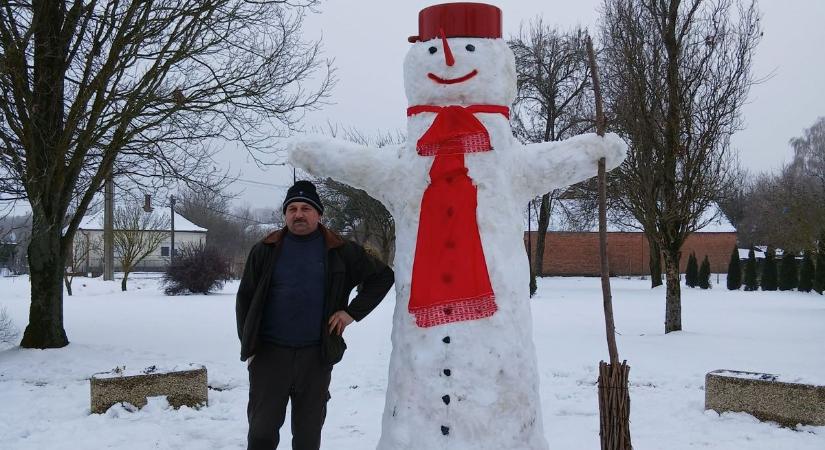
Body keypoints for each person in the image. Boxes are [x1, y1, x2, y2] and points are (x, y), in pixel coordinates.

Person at [236, 180, 394, 450]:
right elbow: (245, 299)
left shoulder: (340, 250)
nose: (298, 214)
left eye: (306, 208)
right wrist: (249, 345)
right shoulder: (265, 249)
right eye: (292, 209)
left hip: (315, 357)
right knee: (261, 433)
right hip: (269, 356)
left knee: (308, 436)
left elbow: (382, 276)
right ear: (285, 215)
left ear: (319, 214)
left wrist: (350, 313)